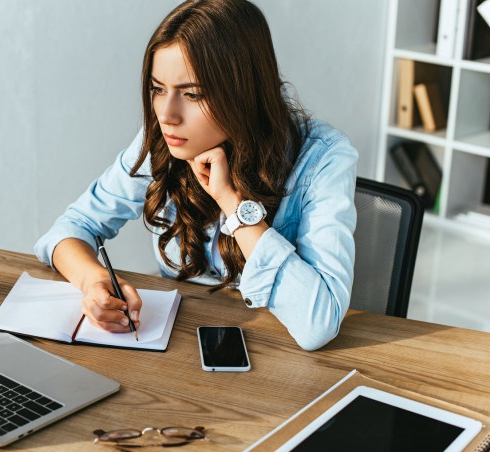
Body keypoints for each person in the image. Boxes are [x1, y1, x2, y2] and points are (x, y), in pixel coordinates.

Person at [34, 0, 357, 351]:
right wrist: (92, 279)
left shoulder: (324, 158)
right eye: (158, 89)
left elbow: (317, 326)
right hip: (179, 346)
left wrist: (233, 205)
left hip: (278, 354)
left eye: (193, 94)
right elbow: (70, 228)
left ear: (243, 92)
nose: (167, 114)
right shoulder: (161, 140)